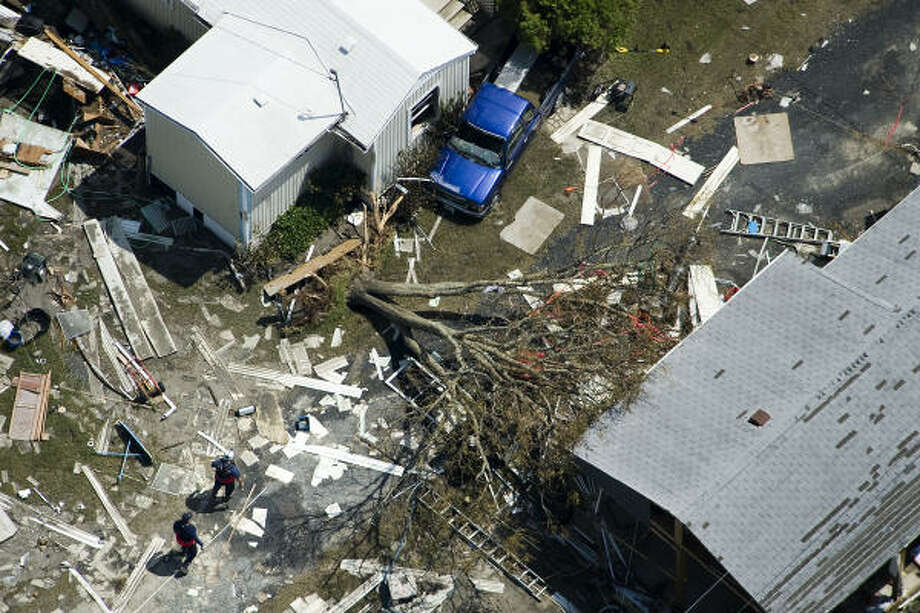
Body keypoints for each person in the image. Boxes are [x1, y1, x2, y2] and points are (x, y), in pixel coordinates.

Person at [172, 512, 203, 576]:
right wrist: (201, 544)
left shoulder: (177, 523)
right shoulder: (191, 528)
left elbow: (175, 530)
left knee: (185, 547)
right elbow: (195, 538)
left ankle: (183, 552)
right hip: (188, 543)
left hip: (180, 540)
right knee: (193, 553)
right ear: (188, 520)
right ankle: (184, 565)